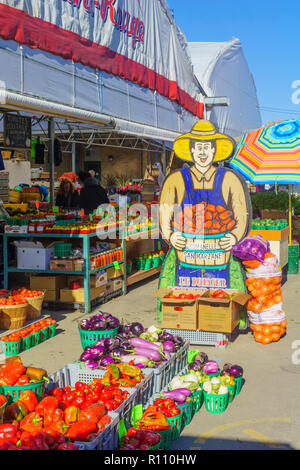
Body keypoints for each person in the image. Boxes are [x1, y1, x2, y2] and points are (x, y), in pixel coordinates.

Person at [159, 119, 251, 288]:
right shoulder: (175, 180)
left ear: (214, 150)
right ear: (192, 150)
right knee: (180, 301)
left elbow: (241, 215)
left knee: (227, 302)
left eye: (207, 147)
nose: (203, 153)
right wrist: (170, 235)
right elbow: (165, 214)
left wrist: (233, 236)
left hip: (222, 254)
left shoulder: (230, 180)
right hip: (184, 255)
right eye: (199, 147)